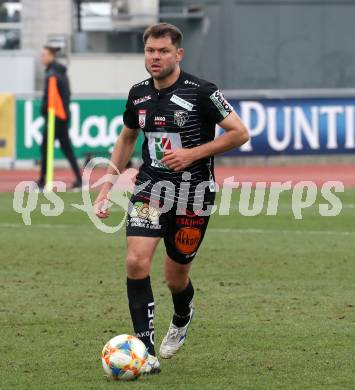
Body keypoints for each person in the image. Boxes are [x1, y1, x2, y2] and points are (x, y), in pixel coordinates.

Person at [94, 23, 249, 374]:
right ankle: (145, 352)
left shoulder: (202, 92)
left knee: (175, 277)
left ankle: (182, 314)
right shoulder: (138, 94)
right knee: (136, 261)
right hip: (151, 189)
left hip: (193, 194)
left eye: (163, 51)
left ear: (178, 54)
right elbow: (126, 139)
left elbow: (240, 133)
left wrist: (194, 153)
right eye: (150, 50)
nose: (155, 57)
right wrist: (107, 187)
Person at [37, 45, 82, 190]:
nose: (41, 57)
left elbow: (49, 97)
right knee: (65, 148)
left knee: (46, 147)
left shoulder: (52, 74)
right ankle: (79, 180)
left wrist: (45, 110)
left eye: (43, 55)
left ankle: (43, 180)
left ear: (51, 56)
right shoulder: (60, 73)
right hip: (61, 115)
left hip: (55, 116)